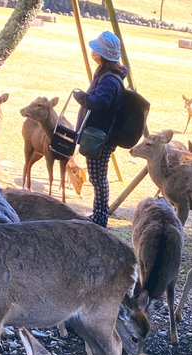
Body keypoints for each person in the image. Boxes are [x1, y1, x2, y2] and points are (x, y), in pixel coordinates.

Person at [73, 31, 127, 228]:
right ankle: (99, 215)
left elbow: (100, 102)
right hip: (99, 136)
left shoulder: (109, 80)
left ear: (102, 55)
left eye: (96, 50)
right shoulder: (108, 76)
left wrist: (82, 98)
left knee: (98, 178)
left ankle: (100, 217)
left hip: (99, 138)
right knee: (98, 177)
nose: (92, 52)